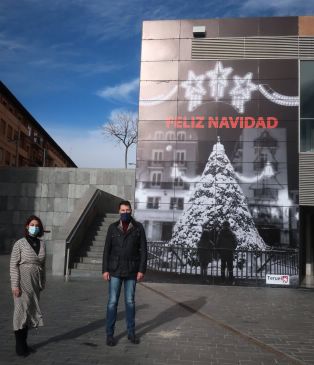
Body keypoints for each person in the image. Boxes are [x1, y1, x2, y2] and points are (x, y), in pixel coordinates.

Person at [102, 200, 147, 347]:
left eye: (127, 210)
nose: (125, 212)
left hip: (131, 271)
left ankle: (131, 333)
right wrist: (105, 269)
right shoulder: (112, 228)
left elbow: (143, 251)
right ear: (119, 211)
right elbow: (106, 250)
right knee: (112, 302)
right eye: (122, 210)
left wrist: (141, 270)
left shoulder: (139, 228)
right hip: (114, 270)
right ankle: (110, 334)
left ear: (131, 210)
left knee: (130, 302)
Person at [10, 215, 46, 357]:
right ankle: (19, 346)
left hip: (35, 283)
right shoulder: (20, 243)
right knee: (20, 313)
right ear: (27, 226)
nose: (34, 227)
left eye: (37, 225)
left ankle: (24, 343)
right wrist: (15, 285)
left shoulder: (42, 244)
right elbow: (13, 265)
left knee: (29, 312)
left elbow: (43, 264)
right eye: (32, 224)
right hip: (22, 282)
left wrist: (43, 281)